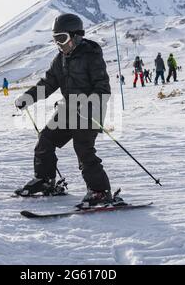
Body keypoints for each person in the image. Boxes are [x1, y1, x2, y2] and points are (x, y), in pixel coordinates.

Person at [14, 13, 116, 207]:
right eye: (55, 39)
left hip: (89, 113)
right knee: (45, 139)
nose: (59, 44)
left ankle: (99, 191)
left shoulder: (91, 55)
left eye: (62, 38)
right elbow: (48, 83)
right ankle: (45, 180)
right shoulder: (60, 59)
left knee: (83, 150)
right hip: (68, 110)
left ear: (75, 36)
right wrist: (28, 97)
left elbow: (103, 88)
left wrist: (88, 105)